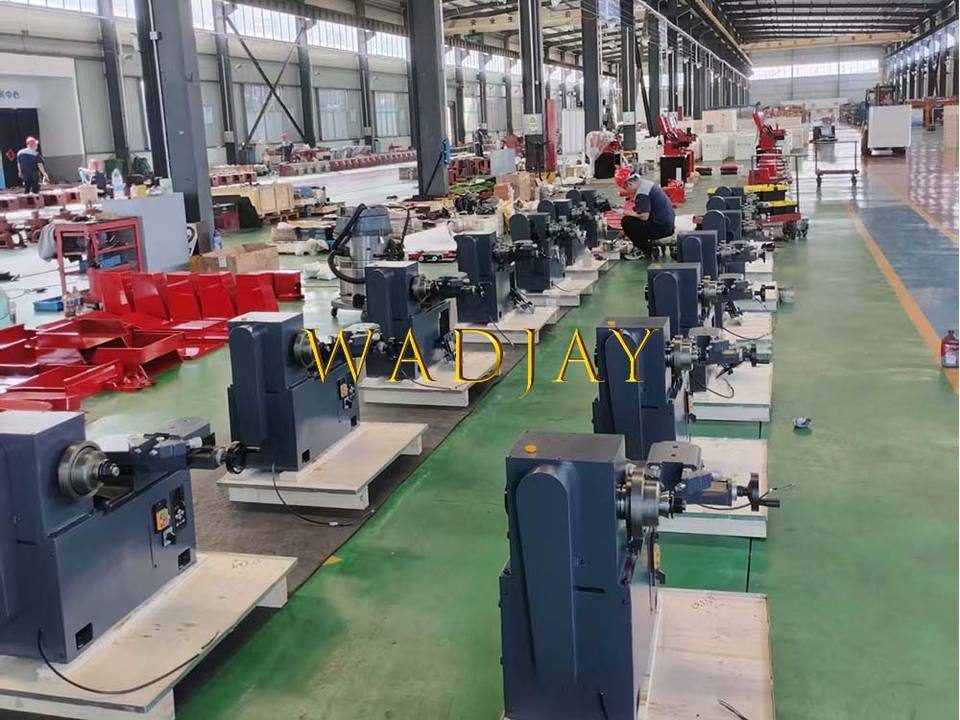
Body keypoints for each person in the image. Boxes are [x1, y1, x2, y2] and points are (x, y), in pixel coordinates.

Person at [620, 173, 675, 256]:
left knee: (626, 221)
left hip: (661, 228)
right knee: (633, 217)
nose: (627, 192)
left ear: (629, 184)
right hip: (667, 225)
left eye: (625, 188)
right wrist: (625, 231)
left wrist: (624, 212)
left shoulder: (642, 193)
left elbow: (644, 216)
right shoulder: (645, 184)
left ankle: (644, 249)